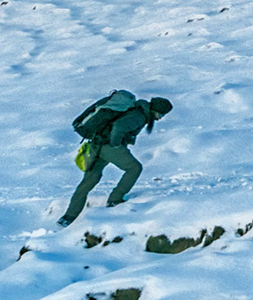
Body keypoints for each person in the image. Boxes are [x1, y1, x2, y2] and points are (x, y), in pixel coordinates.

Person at [59, 93, 172, 226]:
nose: (160, 118)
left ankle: (68, 218)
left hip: (97, 145)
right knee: (134, 168)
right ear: (155, 111)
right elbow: (119, 127)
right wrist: (116, 145)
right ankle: (115, 199)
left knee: (89, 181)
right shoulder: (139, 115)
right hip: (109, 147)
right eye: (161, 115)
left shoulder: (136, 110)